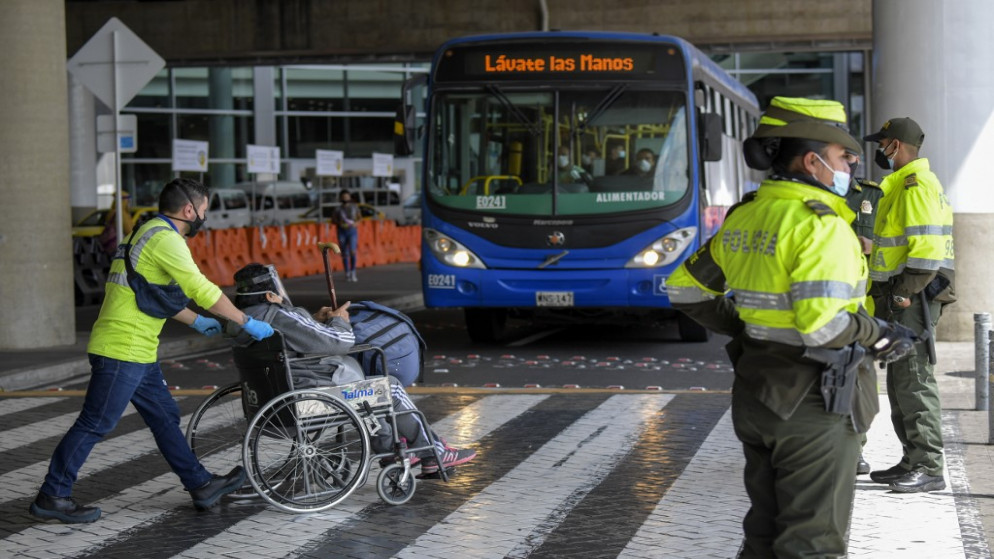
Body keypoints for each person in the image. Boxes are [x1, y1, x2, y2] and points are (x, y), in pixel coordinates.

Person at [666, 97, 916, 558]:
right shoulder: (821, 227)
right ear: (812, 160)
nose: (852, 164)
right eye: (844, 156)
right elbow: (822, 327)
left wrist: (745, 328)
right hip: (813, 401)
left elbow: (684, 290)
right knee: (811, 544)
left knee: (764, 532)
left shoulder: (746, 216)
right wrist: (877, 334)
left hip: (758, 396)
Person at [30, 178, 275, 524]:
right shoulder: (166, 240)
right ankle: (53, 494)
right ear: (189, 210)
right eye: (204, 211)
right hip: (122, 348)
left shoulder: (143, 233)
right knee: (96, 422)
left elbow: (154, 295)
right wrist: (245, 321)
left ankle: (201, 484)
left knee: (164, 417)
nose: (204, 218)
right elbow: (201, 288)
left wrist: (195, 322)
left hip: (138, 349)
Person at [230, 262, 476, 475]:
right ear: (269, 295)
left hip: (269, 407)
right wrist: (339, 320)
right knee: (388, 388)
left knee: (367, 392)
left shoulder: (241, 321)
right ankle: (434, 452)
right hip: (308, 399)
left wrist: (312, 321)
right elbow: (340, 342)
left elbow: (295, 338)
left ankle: (390, 449)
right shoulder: (278, 314)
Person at [863, 117, 956, 493]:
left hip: (912, 297)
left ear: (895, 146)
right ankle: (912, 459)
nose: (879, 150)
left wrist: (903, 291)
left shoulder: (914, 186)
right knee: (902, 382)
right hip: (902, 296)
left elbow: (926, 250)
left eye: (882, 143)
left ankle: (929, 466)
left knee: (915, 381)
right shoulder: (900, 184)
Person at [842, 149, 885, 476]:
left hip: (861, 307)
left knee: (858, 381)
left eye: (851, 156)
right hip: (815, 305)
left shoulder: (872, 195)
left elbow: (895, 239)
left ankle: (855, 449)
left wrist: (875, 245)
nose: (848, 162)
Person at [333, 189, 361, 282]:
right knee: (344, 253)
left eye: (347, 196)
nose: (345, 198)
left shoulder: (354, 207)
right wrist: (340, 223)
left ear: (349, 197)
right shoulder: (338, 209)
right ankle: (347, 272)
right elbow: (333, 220)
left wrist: (356, 223)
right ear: (341, 198)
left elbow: (359, 218)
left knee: (353, 251)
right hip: (341, 232)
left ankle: (353, 271)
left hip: (352, 231)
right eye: (343, 197)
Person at [98, 192, 135, 256]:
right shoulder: (121, 214)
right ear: (123, 201)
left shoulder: (112, 211)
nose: (128, 203)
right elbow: (129, 231)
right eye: (127, 201)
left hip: (112, 245)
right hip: (120, 244)